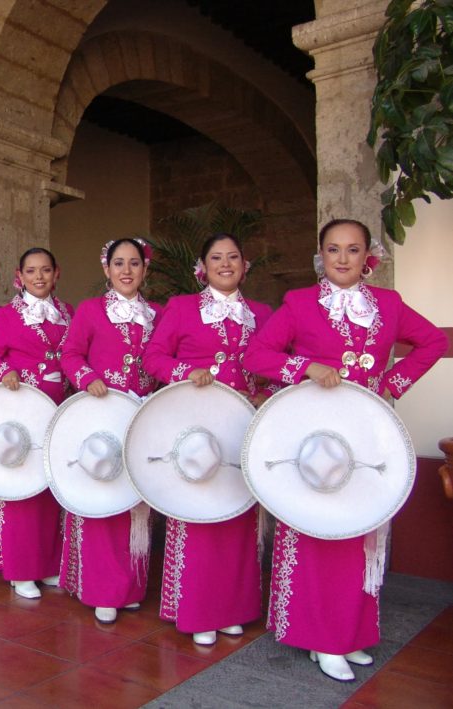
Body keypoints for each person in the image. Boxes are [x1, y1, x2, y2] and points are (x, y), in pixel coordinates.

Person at [244, 218, 447, 681]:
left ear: (366, 256)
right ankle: (319, 637)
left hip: (368, 432)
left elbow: (433, 341)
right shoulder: (299, 303)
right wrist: (306, 367)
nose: (342, 258)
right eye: (333, 249)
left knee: (361, 533)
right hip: (313, 437)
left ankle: (348, 633)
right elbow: (257, 355)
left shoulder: (389, 304)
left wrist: (391, 384)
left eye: (352, 250)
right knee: (317, 530)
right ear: (320, 254)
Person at [143, 233, 272, 645]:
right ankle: (197, 610)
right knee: (197, 516)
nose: (226, 263)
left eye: (234, 256)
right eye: (217, 257)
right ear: (203, 266)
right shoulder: (182, 308)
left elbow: (275, 365)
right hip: (195, 427)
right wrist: (185, 373)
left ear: (245, 264)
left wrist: (264, 393)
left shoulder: (263, 313)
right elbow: (154, 357)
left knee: (237, 515)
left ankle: (233, 608)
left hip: (242, 425)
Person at [58, 238, 160, 623]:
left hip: (140, 416)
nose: (127, 271)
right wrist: (87, 379)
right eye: (119, 263)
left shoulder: (157, 313)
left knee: (134, 501)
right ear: (107, 269)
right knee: (101, 496)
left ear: (144, 269)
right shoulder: (90, 310)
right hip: (100, 413)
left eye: (134, 263)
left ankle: (130, 587)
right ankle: (101, 588)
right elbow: (71, 354)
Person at [0, 247, 73, 599]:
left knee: (50, 487)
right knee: (23, 488)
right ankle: (21, 571)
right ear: (20, 276)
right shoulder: (9, 315)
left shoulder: (67, 312)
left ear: (56, 273)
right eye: (31, 271)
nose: (39, 277)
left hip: (57, 408)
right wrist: (6, 372)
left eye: (45, 270)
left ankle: (46, 565)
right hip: (22, 409)